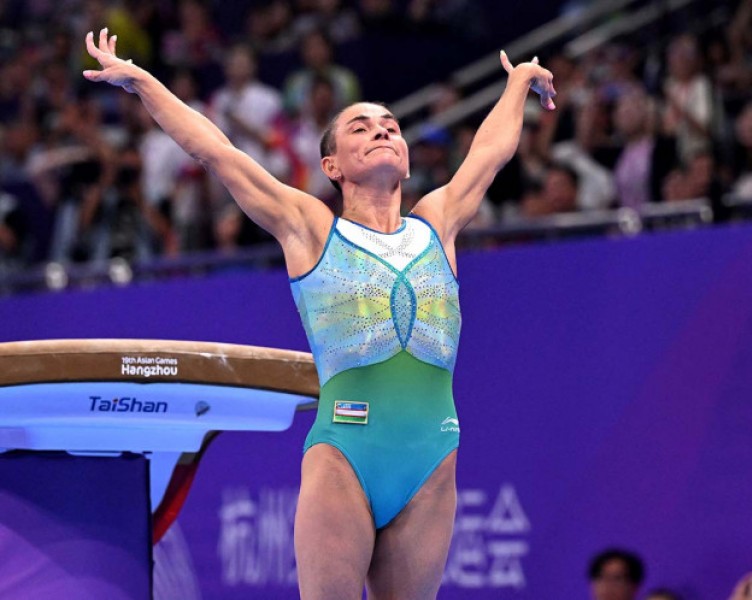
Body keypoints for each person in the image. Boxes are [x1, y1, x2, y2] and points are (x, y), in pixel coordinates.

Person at [83, 28, 555, 599]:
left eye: (391, 126)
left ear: (407, 160)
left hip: (433, 459)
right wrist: (142, 82)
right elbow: (217, 152)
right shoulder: (310, 228)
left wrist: (519, 83)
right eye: (361, 126)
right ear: (332, 165)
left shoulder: (439, 220)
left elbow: (489, 152)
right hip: (345, 457)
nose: (381, 130)